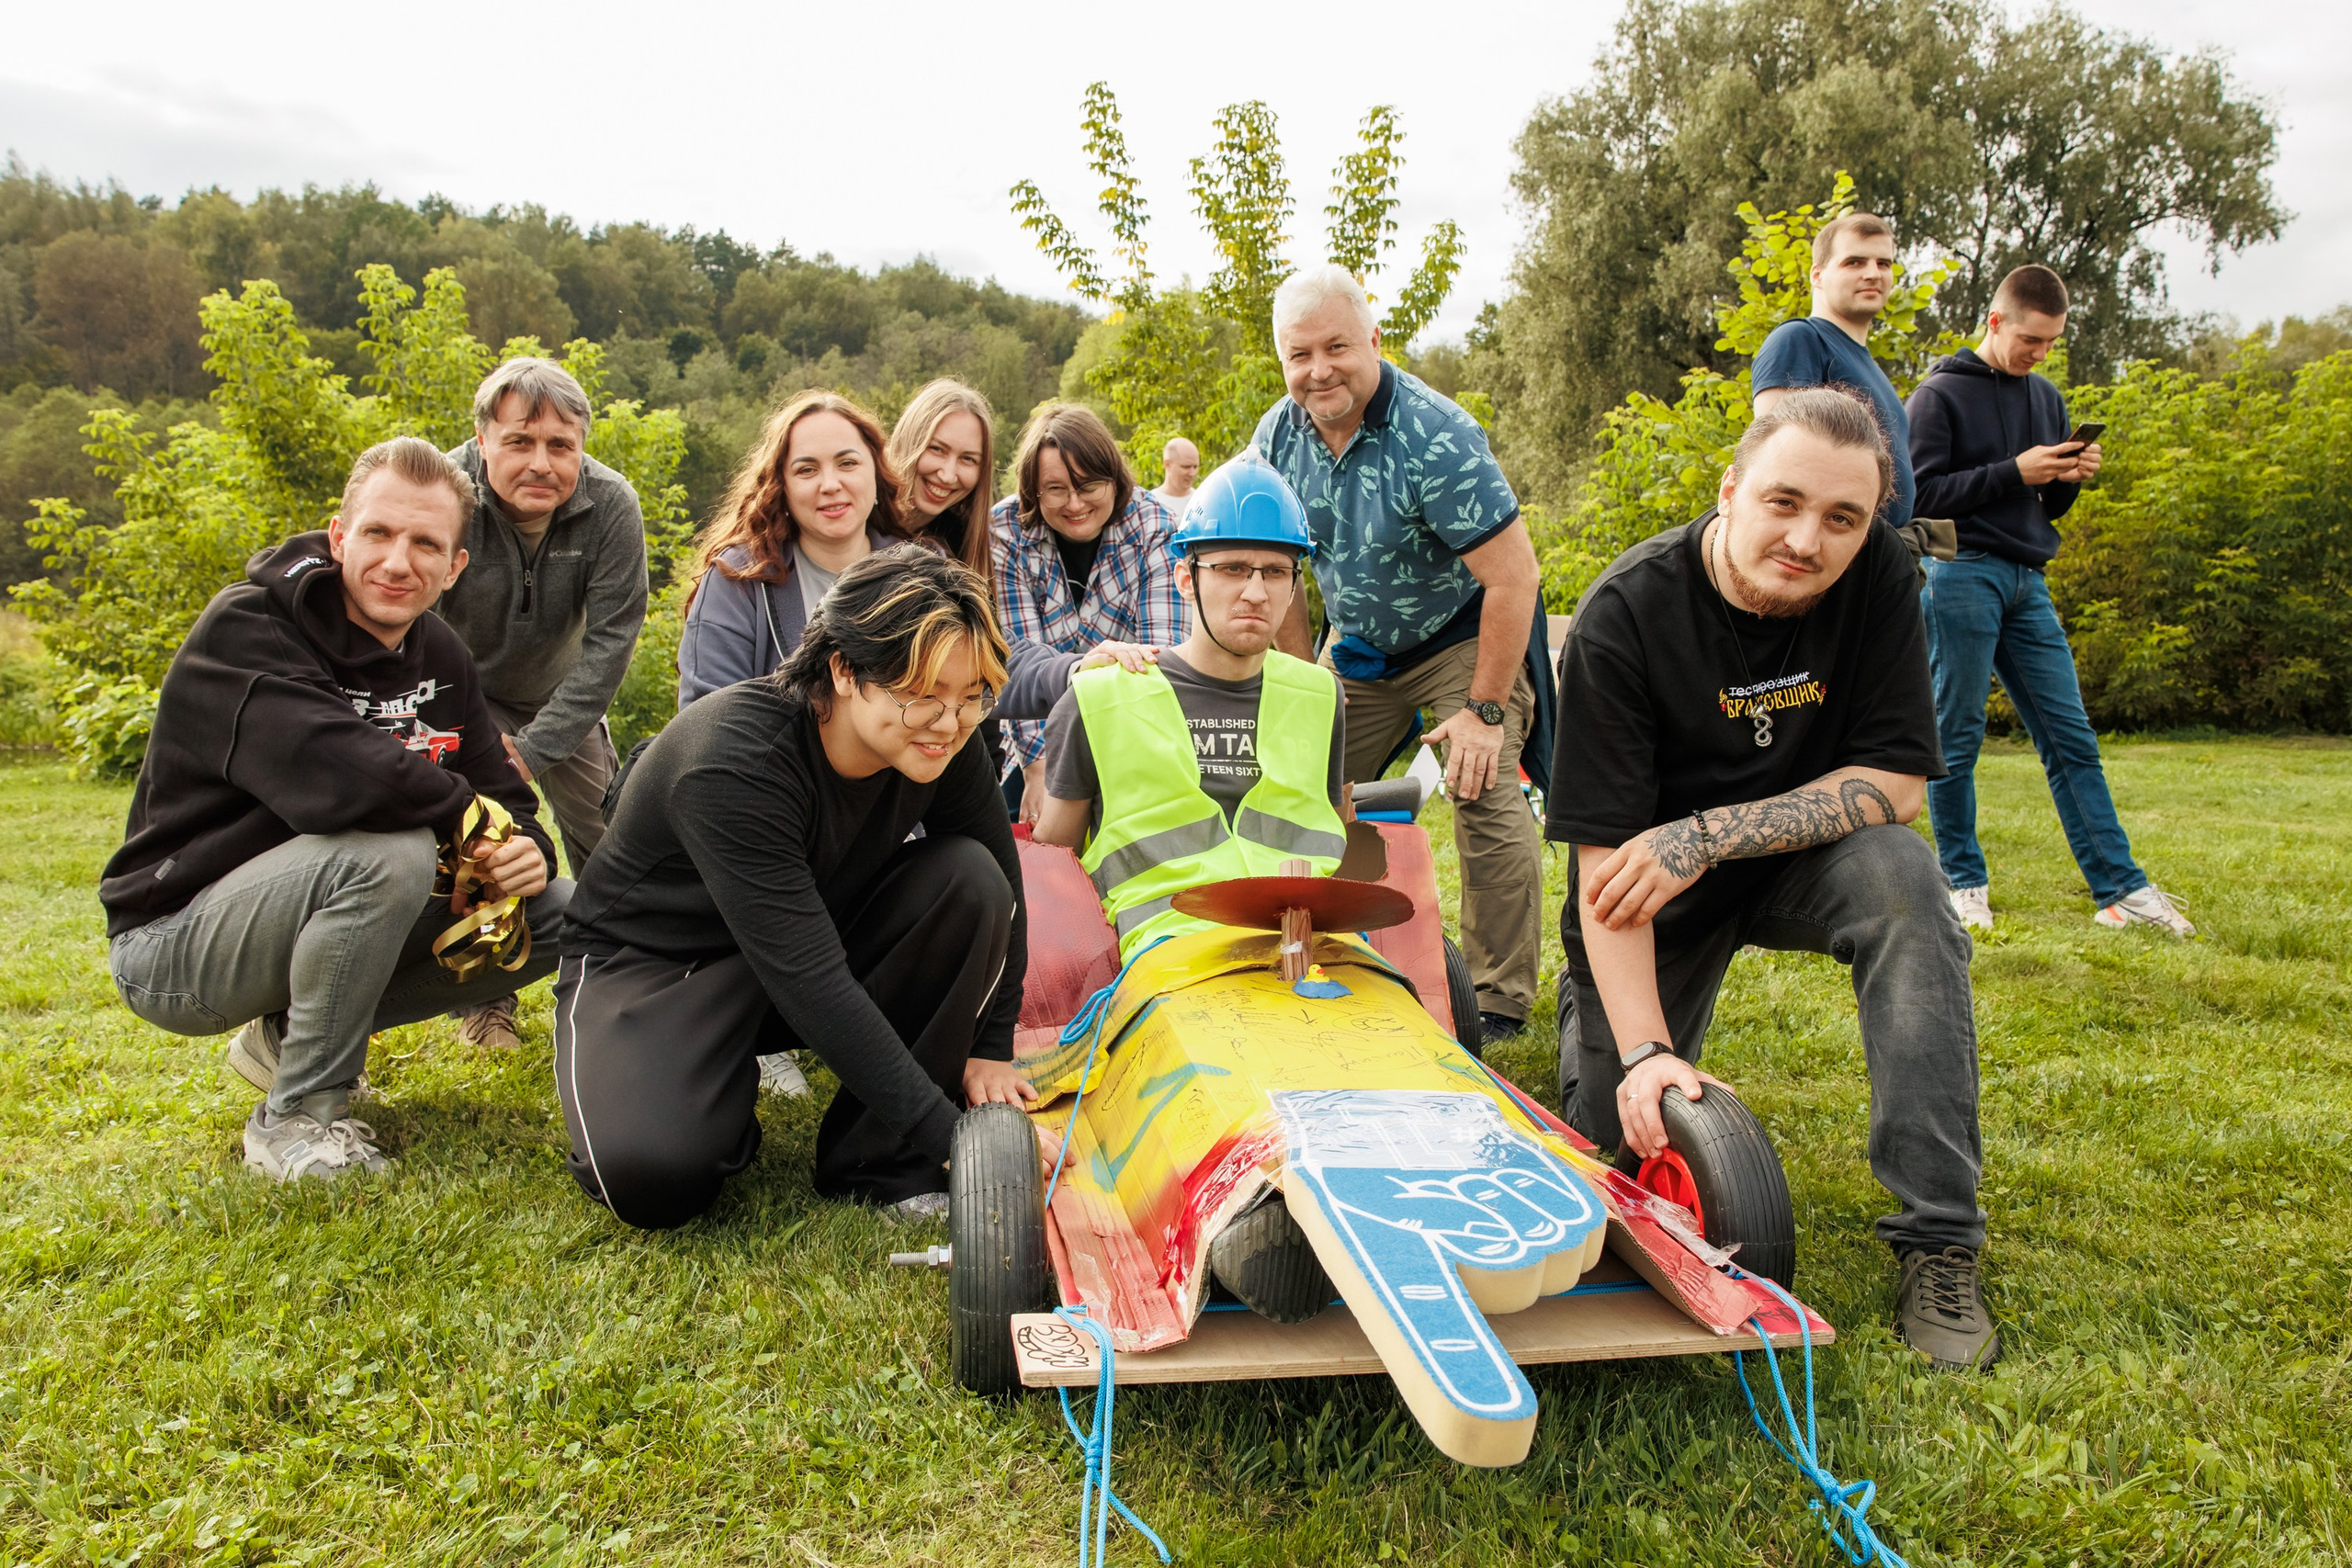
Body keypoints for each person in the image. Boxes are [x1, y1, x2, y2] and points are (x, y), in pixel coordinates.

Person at [1548, 388, 1996, 1371]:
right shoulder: (1623, 618)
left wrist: (1708, 833)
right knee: (1606, 1146)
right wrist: (1646, 1052)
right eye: (1783, 503)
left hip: (1790, 857)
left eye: (1842, 517)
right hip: (1653, 896)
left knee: (1904, 883)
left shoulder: (1879, 570)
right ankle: (1595, 1043)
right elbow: (1608, 876)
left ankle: (1939, 1240)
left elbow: (1895, 784)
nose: (1807, 539)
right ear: (1730, 490)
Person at [103, 438, 570, 1182]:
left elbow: (499, 782)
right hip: (173, 942)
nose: (397, 561)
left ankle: (293, 1032)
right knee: (390, 852)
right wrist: (467, 816)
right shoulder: (248, 626)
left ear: (453, 567)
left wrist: (528, 845)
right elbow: (341, 774)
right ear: (339, 535)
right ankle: (296, 1119)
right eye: (379, 533)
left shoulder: (439, 652)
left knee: (561, 910)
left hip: (306, 910)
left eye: (425, 543)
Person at [553, 547, 1029, 1228]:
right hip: (661, 965)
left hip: (805, 937)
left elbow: (1002, 877)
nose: (950, 723)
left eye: (970, 697)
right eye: (922, 695)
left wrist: (994, 1040)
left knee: (972, 880)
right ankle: (704, 1084)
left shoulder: (937, 740)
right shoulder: (734, 762)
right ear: (843, 668)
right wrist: (959, 1139)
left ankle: (875, 1162)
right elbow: (812, 983)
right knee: (653, 1175)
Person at [1256, 264, 1549, 1046]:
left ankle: (1498, 998)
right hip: (1356, 648)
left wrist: (1484, 712)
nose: (1317, 371)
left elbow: (1515, 577)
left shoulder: (1436, 434)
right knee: (1300, 780)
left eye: (1336, 348)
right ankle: (1335, 947)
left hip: (1461, 634)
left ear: (1374, 341)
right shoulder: (1277, 435)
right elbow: (1278, 570)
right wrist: (1300, 685)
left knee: (1481, 786)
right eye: (1298, 354)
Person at [1908, 265, 2192, 937]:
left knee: (2071, 738)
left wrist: (2069, 477)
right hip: (1959, 573)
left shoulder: (2046, 397)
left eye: (2052, 342)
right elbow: (1918, 499)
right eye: (2032, 339)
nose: (2041, 352)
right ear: (1997, 320)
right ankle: (1962, 883)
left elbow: (2043, 502)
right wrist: (2016, 470)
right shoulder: (1938, 394)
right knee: (1956, 736)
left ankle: (2121, 889)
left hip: (2026, 580)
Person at [1034, 454, 1347, 955]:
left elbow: (1331, 829)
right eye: (1232, 568)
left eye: (1275, 571)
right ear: (1186, 579)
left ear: (1294, 587)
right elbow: (1054, 860)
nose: (1255, 591)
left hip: (1313, 950)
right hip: (1167, 957)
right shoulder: (1101, 697)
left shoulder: (1321, 695)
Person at [440, 358, 644, 1050]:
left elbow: (613, 639)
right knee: (476, 841)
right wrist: (473, 741)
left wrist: (532, 748)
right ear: (482, 438)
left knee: (608, 836)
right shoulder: (444, 493)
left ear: (582, 445)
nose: (541, 462)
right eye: (520, 441)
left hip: (564, 696)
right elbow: (410, 620)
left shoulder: (611, 504)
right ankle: (486, 1000)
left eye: (561, 445)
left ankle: (618, 982)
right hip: (463, 692)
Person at [991, 403, 1189, 821]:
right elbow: (1014, 661)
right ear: (1033, 490)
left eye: (1088, 485)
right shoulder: (1006, 532)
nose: (1075, 503)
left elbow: (1164, 654)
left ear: (1114, 480)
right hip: (1037, 732)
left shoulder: (1155, 526)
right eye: (1057, 489)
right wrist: (1039, 769)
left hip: (1130, 721)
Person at [676, 390, 909, 707]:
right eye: (807, 470)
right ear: (781, 487)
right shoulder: (737, 582)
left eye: (847, 463)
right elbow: (708, 722)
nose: (829, 484)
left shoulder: (921, 573)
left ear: (876, 471)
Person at [1751, 213, 1916, 529]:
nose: (1873, 273)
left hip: (1879, 550)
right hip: (1824, 546)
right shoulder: (1800, 339)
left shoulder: (1867, 364)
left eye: (1884, 263)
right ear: (1817, 274)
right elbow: (1776, 462)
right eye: (1854, 262)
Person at [1149, 435, 1202, 522]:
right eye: (1186, 467)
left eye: (1195, 467)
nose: (1192, 473)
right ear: (1167, 464)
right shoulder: (1151, 504)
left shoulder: (1201, 501)